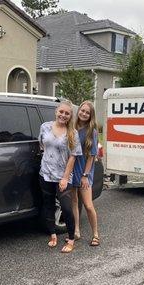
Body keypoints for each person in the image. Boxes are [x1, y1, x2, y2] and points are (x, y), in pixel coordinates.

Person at [39, 101, 82, 253]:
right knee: (48, 205)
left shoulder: (72, 133)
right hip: (45, 174)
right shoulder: (45, 126)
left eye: (67, 113)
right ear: (56, 111)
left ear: (70, 116)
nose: (63, 115)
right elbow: (42, 146)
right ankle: (53, 235)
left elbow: (73, 157)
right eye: (61, 112)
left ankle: (71, 239)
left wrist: (64, 178)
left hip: (63, 177)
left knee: (66, 208)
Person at [71, 101, 100, 246]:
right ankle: (76, 231)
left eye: (87, 112)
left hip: (84, 171)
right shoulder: (72, 127)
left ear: (90, 115)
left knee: (88, 205)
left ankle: (95, 234)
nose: (83, 113)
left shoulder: (91, 131)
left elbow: (92, 155)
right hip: (71, 169)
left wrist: (85, 175)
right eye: (82, 110)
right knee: (74, 202)